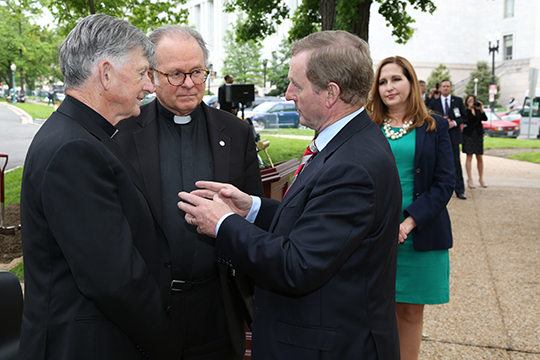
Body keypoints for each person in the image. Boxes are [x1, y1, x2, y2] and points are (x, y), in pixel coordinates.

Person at [177, 30, 402, 360]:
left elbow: (297, 264)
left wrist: (223, 224)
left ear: (330, 93)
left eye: (296, 84)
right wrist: (251, 208)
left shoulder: (352, 166)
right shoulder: (346, 145)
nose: (287, 94)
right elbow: (316, 223)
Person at [19, 14, 179, 360]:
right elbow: (115, 281)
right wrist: (166, 344)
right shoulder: (73, 149)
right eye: (141, 73)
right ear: (105, 74)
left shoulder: (82, 136)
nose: (150, 86)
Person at [114, 25, 263, 360]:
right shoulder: (122, 133)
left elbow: (255, 219)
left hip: (218, 306)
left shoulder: (237, 133)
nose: (189, 83)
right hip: (148, 309)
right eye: (176, 74)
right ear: (151, 75)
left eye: (197, 72)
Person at [366, 56, 455, 360]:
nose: (389, 87)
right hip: (374, 233)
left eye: (396, 79)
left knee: (409, 314)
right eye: (382, 81)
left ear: (411, 83)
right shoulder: (367, 126)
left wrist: (407, 223)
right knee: (374, 311)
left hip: (419, 234)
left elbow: (445, 184)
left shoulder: (435, 126)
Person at [429, 79, 468, 199]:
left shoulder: (458, 101)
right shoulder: (434, 103)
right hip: (438, 137)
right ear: (440, 88)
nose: (446, 88)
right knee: (436, 163)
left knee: (456, 163)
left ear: (451, 88)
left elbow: (464, 117)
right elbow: (428, 117)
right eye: (443, 86)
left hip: (453, 136)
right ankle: (437, 190)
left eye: (448, 86)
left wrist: (454, 123)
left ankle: (459, 190)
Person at [463, 94, 488, 188]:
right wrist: (469, 109)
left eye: (473, 100)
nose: (472, 102)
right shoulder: (465, 111)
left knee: (479, 157)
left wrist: (481, 108)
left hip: (477, 134)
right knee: (469, 157)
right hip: (468, 135)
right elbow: (465, 120)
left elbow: (485, 118)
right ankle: (469, 178)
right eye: (470, 100)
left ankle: (481, 178)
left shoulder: (478, 110)